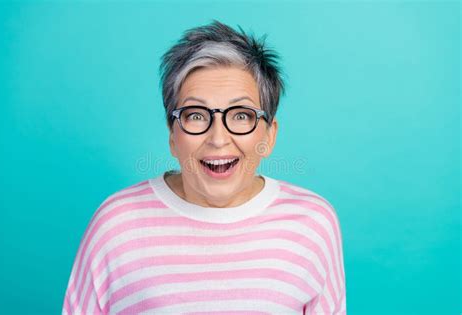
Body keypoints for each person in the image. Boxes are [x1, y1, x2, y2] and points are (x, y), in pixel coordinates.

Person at [62, 20, 346, 314]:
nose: (218, 139)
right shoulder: (116, 225)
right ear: (173, 135)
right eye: (196, 115)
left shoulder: (313, 223)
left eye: (241, 115)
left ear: (269, 134)